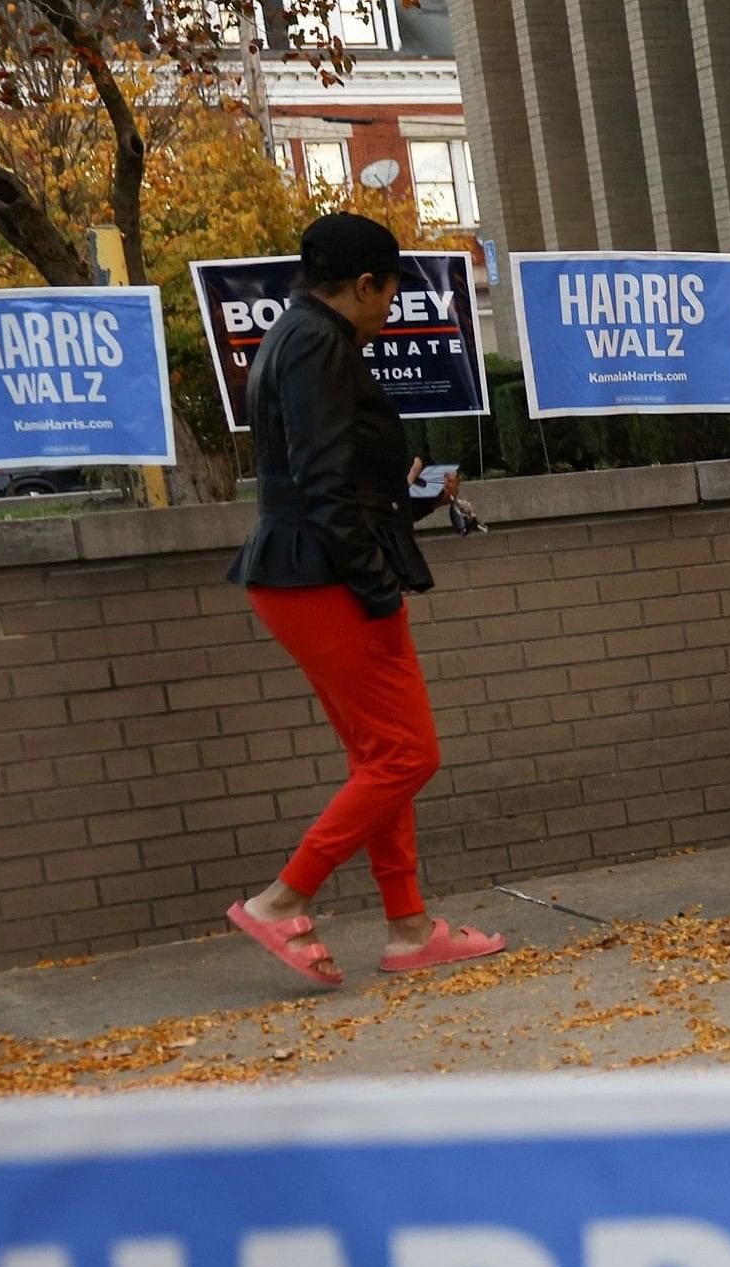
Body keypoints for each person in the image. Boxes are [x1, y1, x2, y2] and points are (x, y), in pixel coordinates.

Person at [223, 212, 505, 988]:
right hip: (326, 579)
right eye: (389, 293)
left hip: (308, 571)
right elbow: (321, 484)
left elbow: (327, 477)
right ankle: (282, 900)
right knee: (409, 753)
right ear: (364, 284)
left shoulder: (299, 332)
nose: (391, 309)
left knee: (381, 758)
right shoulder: (320, 343)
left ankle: (410, 928)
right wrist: (379, 588)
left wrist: (407, 497)